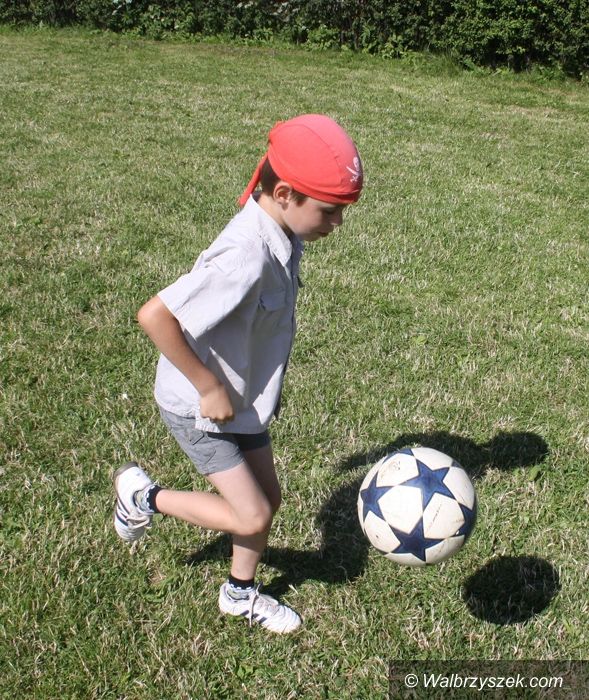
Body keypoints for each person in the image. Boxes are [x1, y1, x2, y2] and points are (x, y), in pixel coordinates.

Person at [113, 114, 363, 634]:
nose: (338, 222)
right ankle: (143, 496)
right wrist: (208, 387)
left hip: (242, 399)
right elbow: (154, 316)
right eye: (330, 210)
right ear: (285, 193)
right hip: (200, 408)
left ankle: (238, 592)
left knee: (268, 501)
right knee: (252, 514)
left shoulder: (282, 230)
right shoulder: (245, 255)